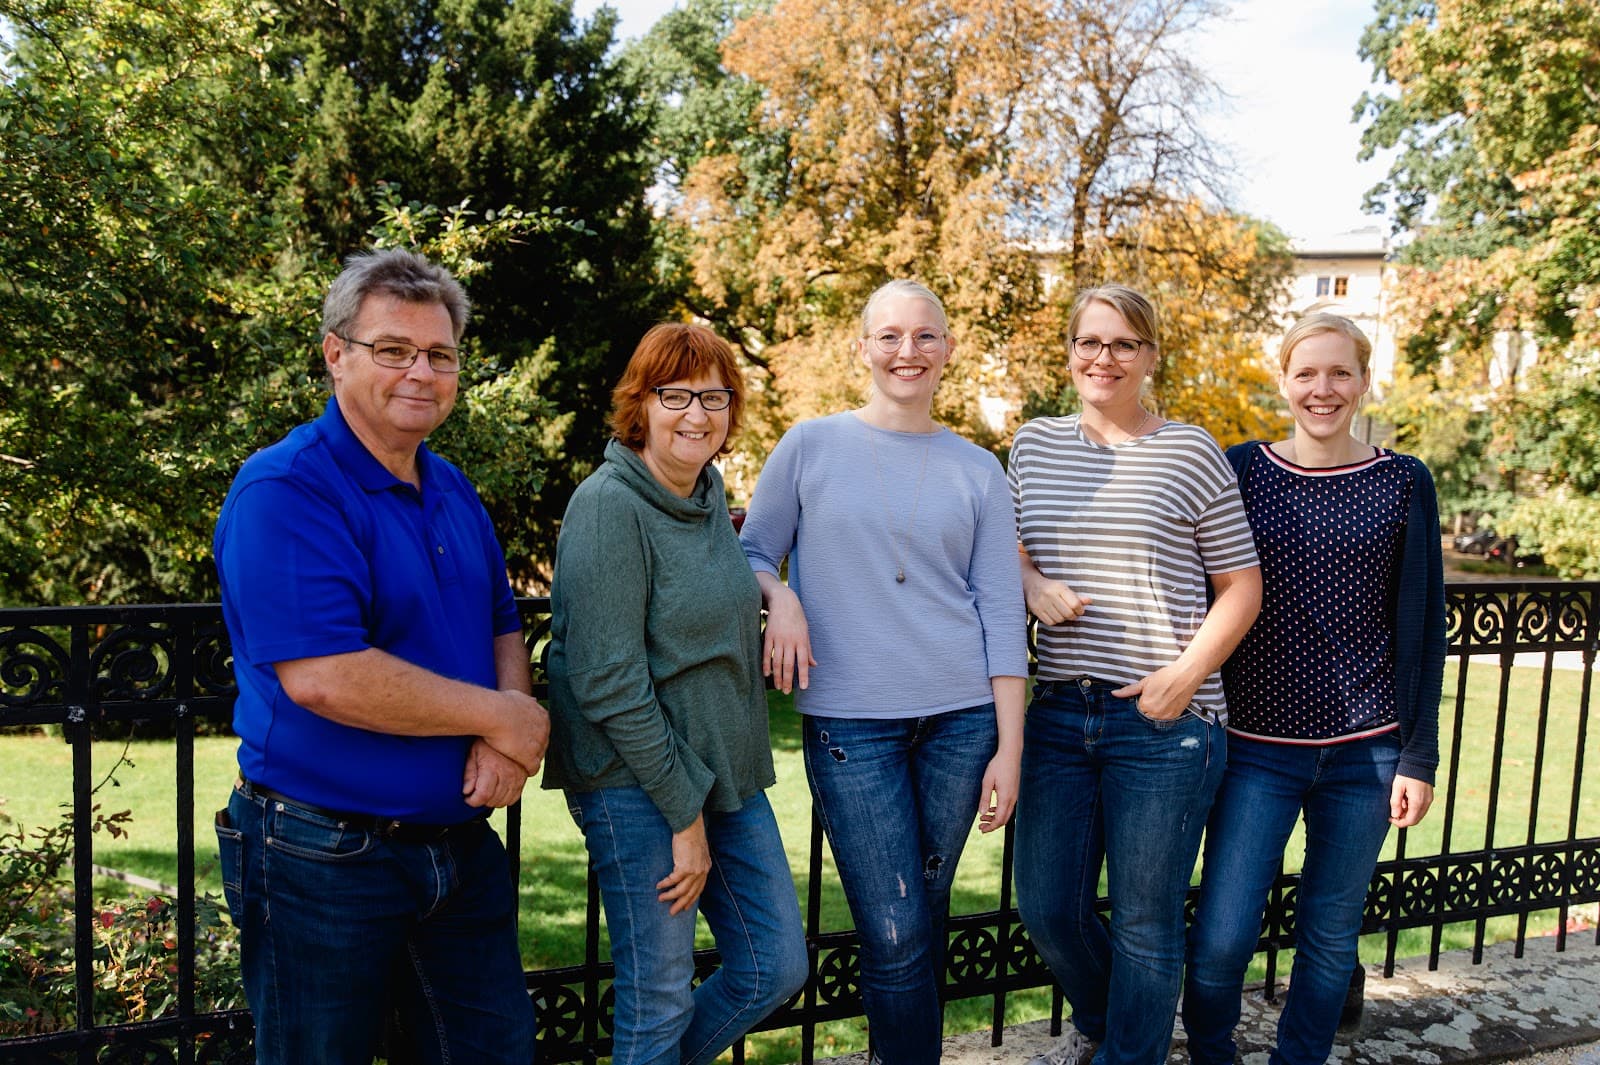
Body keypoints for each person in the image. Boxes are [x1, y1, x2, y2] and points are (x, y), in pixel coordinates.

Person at [212, 248, 547, 1064]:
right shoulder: (287, 490)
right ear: (336, 353)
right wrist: (505, 714)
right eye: (392, 349)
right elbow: (326, 675)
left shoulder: (451, 486)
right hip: (322, 857)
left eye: (439, 354)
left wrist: (504, 736)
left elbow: (503, 618)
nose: (420, 372)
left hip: (458, 853)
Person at [740, 279, 1029, 1064]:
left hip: (963, 722)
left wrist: (1009, 746)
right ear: (861, 347)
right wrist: (782, 597)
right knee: (897, 924)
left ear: (949, 349)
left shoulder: (980, 469)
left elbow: (1002, 611)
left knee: (923, 911)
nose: (909, 351)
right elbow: (753, 550)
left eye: (926, 335)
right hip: (850, 726)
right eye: (891, 335)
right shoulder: (809, 444)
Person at [1008, 283, 1263, 1065]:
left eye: (1124, 344)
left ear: (1150, 357)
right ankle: (1117, 1024)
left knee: (1150, 919)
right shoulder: (1033, 444)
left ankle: (1129, 1051)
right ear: (1070, 352)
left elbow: (1242, 585)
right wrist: (1033, 585)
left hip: (1165, 724)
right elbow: (1006, 545)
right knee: (1049, 908)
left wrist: (1186, 674)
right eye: (1090, 341)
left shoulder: (1191, 449)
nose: (1104, 358)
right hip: (1057, 710)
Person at [1182, 313, 1445, 1065]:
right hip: (1255, 751)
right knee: (1225, 931)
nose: (1322, 389)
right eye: (1306, 373)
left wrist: (1418, 756)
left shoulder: (1403, 479)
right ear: (1284, 381)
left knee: (1330, 934)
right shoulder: (1243, 468)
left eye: (1339, 373)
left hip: (1366, 755)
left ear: (1363, 381)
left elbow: (1425, 625)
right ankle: (1213, 1052)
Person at [544, 323, 807, 1065]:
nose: (697, 414)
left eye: (715, 397)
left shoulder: (706, 494)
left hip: (723, 773)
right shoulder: (608, 506)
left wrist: (778, 593)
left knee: (775, 965)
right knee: (657, 997)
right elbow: (607, 678)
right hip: (635, 782)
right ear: (641, 403)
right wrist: (682, 811)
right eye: (677, 395)